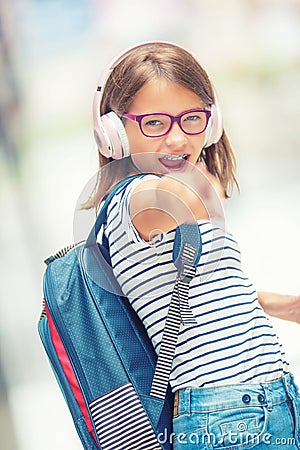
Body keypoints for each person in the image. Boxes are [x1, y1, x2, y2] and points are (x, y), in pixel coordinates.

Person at [84, 41, 300, 449]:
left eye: (192, 119)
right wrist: (202, 183)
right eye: (154, 123)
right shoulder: (137, 197)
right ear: (114, 133)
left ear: (212, 122)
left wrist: (278, 305)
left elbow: (199, 291)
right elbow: (177, 198)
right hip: (227, 416)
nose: (178, 139)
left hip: (266, 398)